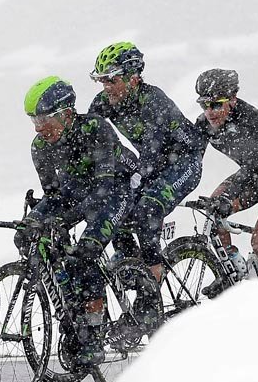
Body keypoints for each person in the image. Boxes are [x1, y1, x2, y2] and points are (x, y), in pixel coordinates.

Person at [17, 76, 138, 368]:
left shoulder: (96, 128)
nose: (38, 127)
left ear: (66, 114)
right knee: (26, 235)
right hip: (79, 189)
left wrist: (64, 220)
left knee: (86, 252)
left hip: (116, 189)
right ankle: (70, 308)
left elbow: (103, 190)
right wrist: (37, 221)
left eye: (43, 119)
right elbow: (54, 195)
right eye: (34, 120)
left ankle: (94, 333)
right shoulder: (40, 146)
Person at [87, 42, 205, 304]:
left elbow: (152, 155)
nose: (106, 87)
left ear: (133, 78)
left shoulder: (153, 101)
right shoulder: (104, 103)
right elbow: (87, 139)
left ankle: (150, 293)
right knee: (112, 202)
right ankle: (130, 257)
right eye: (102, 81)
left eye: (112, 80)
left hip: (184, 163)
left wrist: (133, 181)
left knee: (147, 209)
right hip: (155, 163)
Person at [192, 69, 258, 297]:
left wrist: (229, 197)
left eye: (216, 105)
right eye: (204, 105)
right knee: (213, 209)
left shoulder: (249, 121)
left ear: (232, 100)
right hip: (254, 176)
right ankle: (232, 269)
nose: (209, 112)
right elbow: (190, 159)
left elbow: (252, 166)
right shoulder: (204, 124)